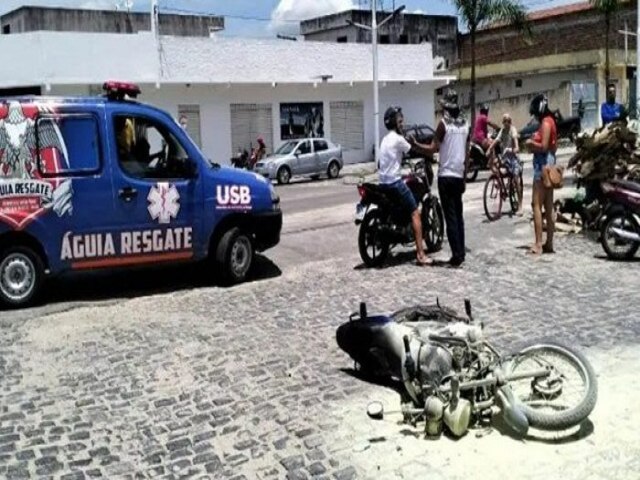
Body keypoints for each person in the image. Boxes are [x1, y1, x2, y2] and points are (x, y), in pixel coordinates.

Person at [378, 106, 431, 266]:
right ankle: (421, 255)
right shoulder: (399, 139)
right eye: (400, 120)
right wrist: (427, 154)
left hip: (383, 183)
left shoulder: (385, 139)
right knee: (415, 212)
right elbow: (413, 150)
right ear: (395, 122)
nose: (402, 123)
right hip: (395, 182)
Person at [423, 90, 470, 267]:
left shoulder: (443, 125)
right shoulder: (465, 124)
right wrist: (465, 177)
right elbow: (467, 153)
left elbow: (432, 148)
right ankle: (461, 251)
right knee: (458, 216)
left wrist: (414, 145)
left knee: (450, 216)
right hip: (458, 176)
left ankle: (456, 255)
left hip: (446, 176)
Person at [525, 93, 557, 255]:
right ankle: (549, 243)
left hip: (542, 165)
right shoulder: (551, 121)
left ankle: (538, 244)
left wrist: (531, 144)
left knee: (536, 204)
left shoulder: (545, 123)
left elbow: (543, 146)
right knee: (549, 205)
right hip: (549, 164)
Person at [488, 113, 523, 215]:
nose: (506, 123)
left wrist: (510, 149)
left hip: (513, 157)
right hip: (505, 158)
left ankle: (520, 206)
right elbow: (496, 141)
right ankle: (500, 184)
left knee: (516, 179)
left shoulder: (513, 130)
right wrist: (489, 149)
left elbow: (517, 148)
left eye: (508, 121)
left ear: (510, 122)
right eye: (504, 121)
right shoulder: (502, 131)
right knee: (491, 164)